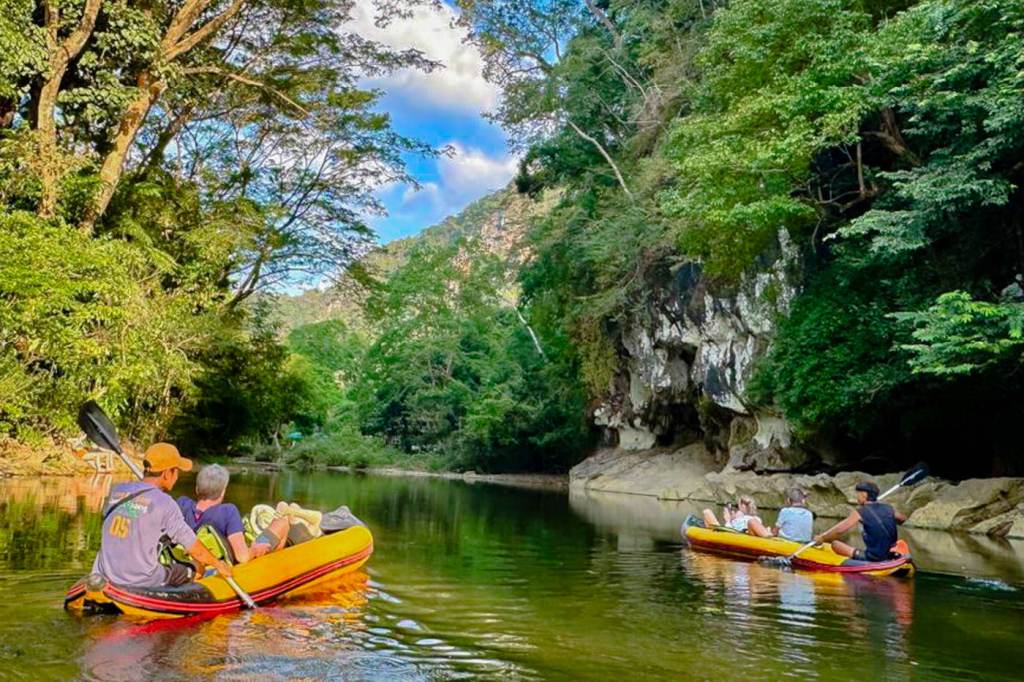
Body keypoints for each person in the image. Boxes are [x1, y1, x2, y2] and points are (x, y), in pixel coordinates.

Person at [92, 443, 232, 588]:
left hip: (104, 573)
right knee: (196, 567)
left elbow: (130, 516)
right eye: (176, 471)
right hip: (141, 580)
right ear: (167, 474)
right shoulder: (166, 503)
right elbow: (194, 549)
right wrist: (218, 564)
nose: (177, 476)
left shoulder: (116, 490)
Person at [177, 464, 289, 564]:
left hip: (192, 558)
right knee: (281, 523)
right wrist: (255, 548)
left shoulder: (182, 504)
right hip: (233, 562)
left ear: (197, 489)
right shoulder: (228, 511)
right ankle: (271, 569)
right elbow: (242, 557)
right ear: (223, 492)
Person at [813, 481, 906, 561]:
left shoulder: (860, 512)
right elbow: (902, 519)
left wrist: (822, 538)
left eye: (857, 494)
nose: (857, 497)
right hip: (890, 554)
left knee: (835, 544)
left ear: (864, 495)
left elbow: (839, 530)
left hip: (874, 557)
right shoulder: (889, 508)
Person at [702, 495, 772, 537]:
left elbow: (730, 534)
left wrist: (728, 520)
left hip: (741, 534)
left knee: (752, 522)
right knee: (706, 512)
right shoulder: (738, 519)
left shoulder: (754, 519)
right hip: (734, 533)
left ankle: (768, 536)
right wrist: (732, 519)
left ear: (743, 506)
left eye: (737, 507)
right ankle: (708, 537)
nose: (735, 511)